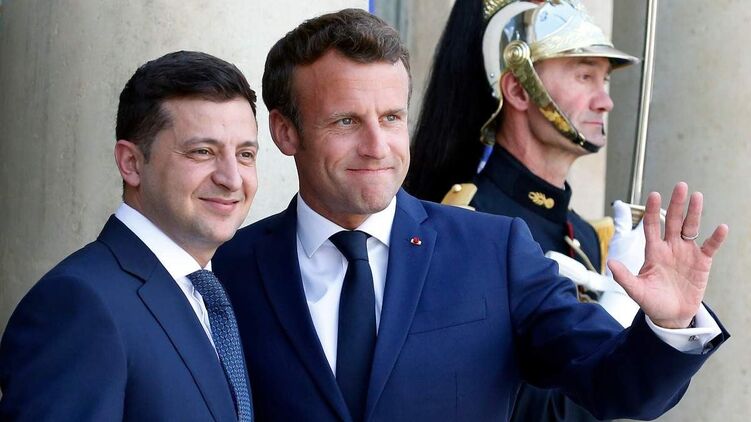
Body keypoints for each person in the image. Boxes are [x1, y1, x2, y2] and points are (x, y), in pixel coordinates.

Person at [214, 8, 729, 422]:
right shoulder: (227, 268)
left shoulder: (494, 250)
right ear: (285, 132)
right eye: (346, 121)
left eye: (391, 118)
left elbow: (613, 385)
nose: (377, 146)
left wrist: (668, 326)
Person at [407, 2, 644, 419]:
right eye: (584, 75)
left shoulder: (585, 237)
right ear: (518, 90)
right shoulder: (469, 225)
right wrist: (618, 319)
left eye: (604, 78)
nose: (605, 100)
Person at [0, 51, 258, 421]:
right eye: (202, 152)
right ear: (131, 163)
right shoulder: (79, 304)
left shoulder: (212, 293)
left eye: (245, 154)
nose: (232, 179)